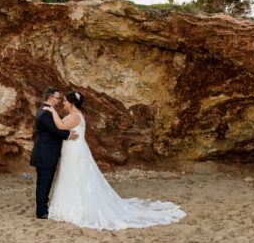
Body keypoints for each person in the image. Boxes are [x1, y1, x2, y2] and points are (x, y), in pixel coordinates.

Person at [42, 91, 185, 230]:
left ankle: (78, 206)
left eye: (65, 101)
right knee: (69, 176)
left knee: (77, 176)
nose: (63, 103)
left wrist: (51, 110)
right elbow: (60, 126)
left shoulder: (76, 116)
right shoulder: (71, 115)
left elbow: (60, 126)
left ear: (72, 103)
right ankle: (68, 204)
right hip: (69, 150)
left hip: (76, 151)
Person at [30, 88, 78, 219]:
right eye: (57, 98)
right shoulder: (45, 112)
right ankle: (41, 212)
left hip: (46, 153)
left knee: (45, 182)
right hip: (45, 154)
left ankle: (43, 209)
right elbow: (54, 130)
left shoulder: (46, 110)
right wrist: (68, 134)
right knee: (44, 183)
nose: (59, 100)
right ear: (51, 98)